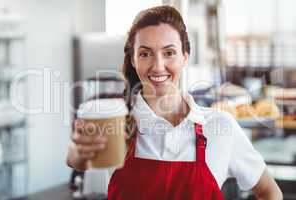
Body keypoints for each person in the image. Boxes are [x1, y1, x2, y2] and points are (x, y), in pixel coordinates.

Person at [67, 5, 282, 200]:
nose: (158, 66)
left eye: (169, 53)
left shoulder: (220, 126)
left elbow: (269, 191)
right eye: (145, 54)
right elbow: (78, 161)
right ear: (133, 60)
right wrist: (78, 153)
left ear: (185, 56)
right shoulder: (117, 124)